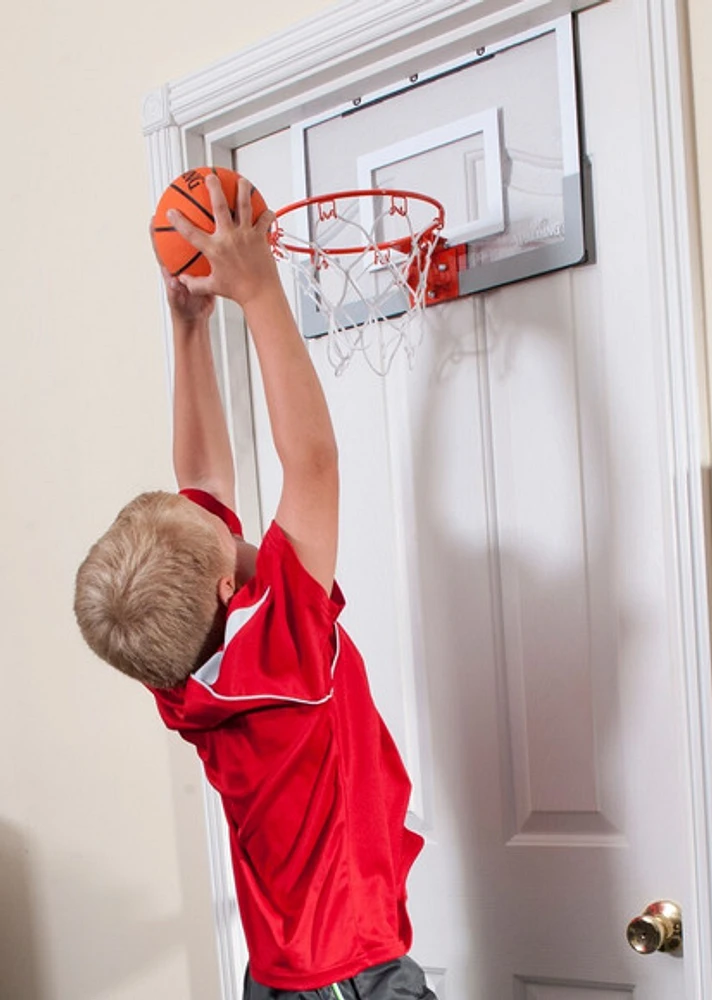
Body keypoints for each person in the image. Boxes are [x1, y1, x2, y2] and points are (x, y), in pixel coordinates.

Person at [73, 173, 435, 1000]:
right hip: (349, 981)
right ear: (218, 597)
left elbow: (199, 471)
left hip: (283, 972)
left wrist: (189, 329)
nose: (225, 521)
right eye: (218, 532)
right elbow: (313, 463)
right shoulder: (283, 658)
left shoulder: (186, 677)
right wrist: (261, 293)